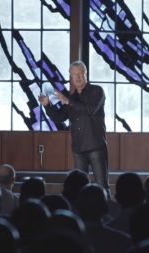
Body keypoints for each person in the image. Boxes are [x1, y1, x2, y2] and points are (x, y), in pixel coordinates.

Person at [38, 60, 110, 193]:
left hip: (95, 146)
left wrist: (67, 101)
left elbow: (90, 109)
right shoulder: (72, 98)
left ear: (85, 74)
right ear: (71, 77)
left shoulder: (97, 91)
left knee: (102, 185)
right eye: (74, 74)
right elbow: (59, 117)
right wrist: (47, 105)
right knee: (79, 187)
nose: (77, 77)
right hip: (78, 148)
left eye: (80, 73)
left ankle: (105, 211)